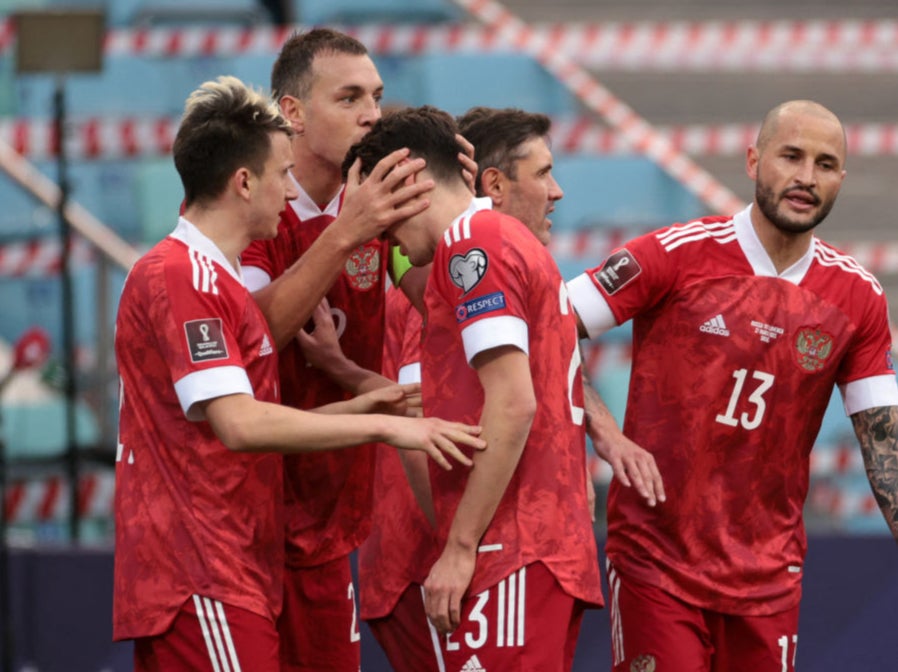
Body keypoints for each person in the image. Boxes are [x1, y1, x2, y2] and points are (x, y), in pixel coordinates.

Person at [112, 76, 484, 672]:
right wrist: (385, 431)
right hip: (200, 567)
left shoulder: (217, 282)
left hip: (230, 565)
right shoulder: (180, 276)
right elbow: (238, 425)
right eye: (281, 175)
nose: (290, 193)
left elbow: (233, 423)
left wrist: (364, 405)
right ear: (243, 182)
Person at [565, 99, 898, 671]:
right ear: (752, 160)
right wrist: (605, 430)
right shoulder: (675, 253)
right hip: (657, 563)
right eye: (790, 156)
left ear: (841, 179)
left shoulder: (857, 297)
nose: (805, 178)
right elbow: (550, 324)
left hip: (769, 578)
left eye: (824, 164)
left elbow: (885, 441)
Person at [344, 105, 604, 671]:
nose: (379, 232)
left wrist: (459, 548)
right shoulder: (497, 238)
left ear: (410, 184)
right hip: (538, 547)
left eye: (381, 214)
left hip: (510, 549)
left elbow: (513, 404)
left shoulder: (473, 243)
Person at [237, 29, 426, 672]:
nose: (371, 113)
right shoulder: (250, 199)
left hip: (327, 514)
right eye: (348, 98)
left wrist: (461, 210)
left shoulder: (376, 204)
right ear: (291, 112)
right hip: (240, 521)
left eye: (375, 96)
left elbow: (443, 302)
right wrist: (349, 233)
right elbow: (252, 335)